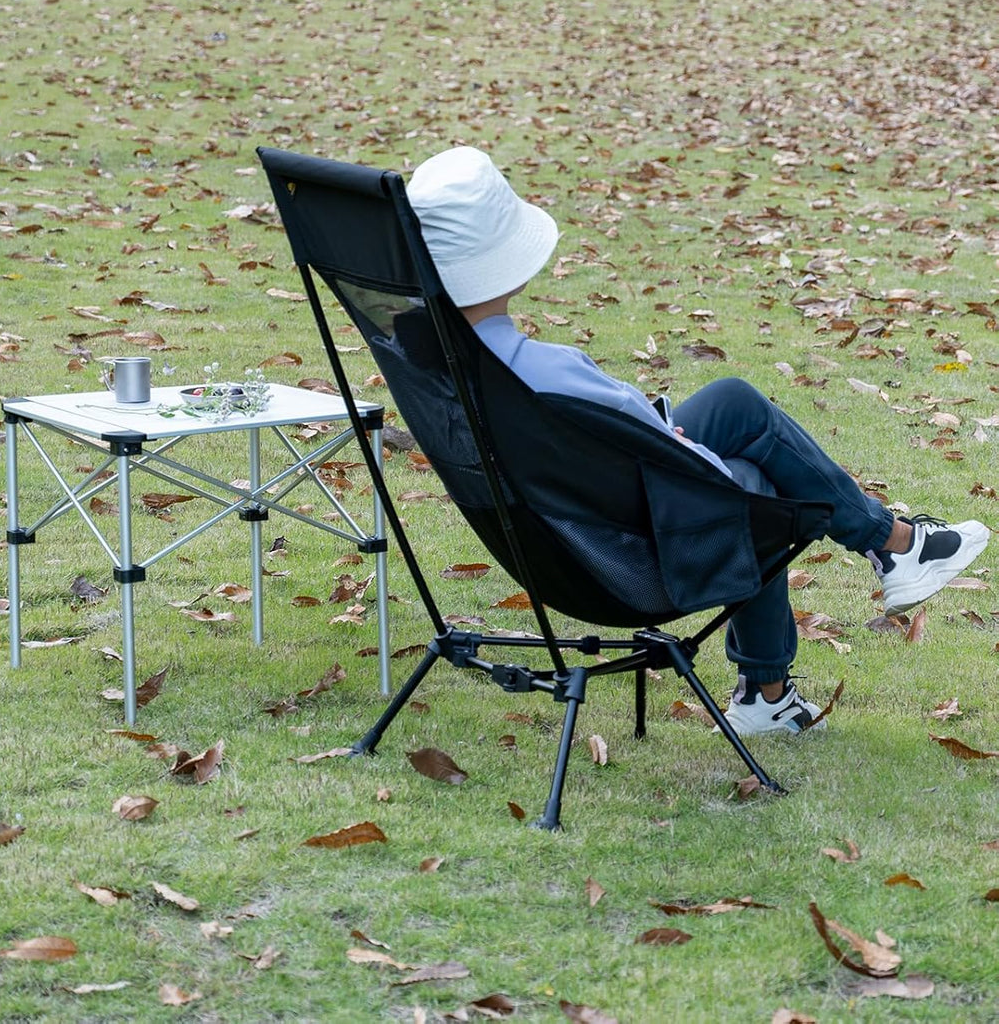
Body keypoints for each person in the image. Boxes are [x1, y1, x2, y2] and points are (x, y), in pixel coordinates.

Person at [406, 145, 991, 736]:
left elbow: (616, 434)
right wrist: (680, 447)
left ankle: (880, 563)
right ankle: (882, 555)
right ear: (509, 263)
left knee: (730, 404)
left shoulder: (431, 366)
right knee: (753, 481)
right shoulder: (545, 373)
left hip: (556, 539)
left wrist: (661, 435)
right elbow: (674, 451)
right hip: (624, 551)